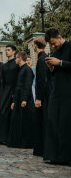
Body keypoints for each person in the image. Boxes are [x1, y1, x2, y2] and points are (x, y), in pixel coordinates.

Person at [43, 28, 71, 164]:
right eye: (51, 45)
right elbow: (55, 74)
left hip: (68, 93)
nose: (53, 46)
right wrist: (51, 68)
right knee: (54, 122)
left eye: (54, 43)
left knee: (66, 124)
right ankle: (55, 156)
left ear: (59, 37)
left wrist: (59, 63)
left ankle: (66, 157)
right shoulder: (55, 52)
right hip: (56, 93)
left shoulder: (70, 47)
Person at [7, 51, 34, 148]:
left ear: (20, 58)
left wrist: (24, 99)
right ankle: (17, 142)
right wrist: (14, 101)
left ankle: (25, 143)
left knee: (25, 122)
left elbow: (27, 85)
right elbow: (17, 86)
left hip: (24, 99)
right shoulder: (20, 69)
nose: (15, 60)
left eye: (16, 58)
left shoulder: (27, 69)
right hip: (18, 98)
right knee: (17, 120)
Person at [0, 45, 19, 144]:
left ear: (14, 52)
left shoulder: (16, 64)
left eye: (8, 50)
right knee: (3, 112)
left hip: (14, 90)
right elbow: (3, 80)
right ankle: (2, 138)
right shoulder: (4, 65)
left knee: (11, 114)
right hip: (6, 90)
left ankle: (10, 137)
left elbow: (18, 79)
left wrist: (15, 93)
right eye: (5, 50)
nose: (6, 52)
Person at [32, 37, 49, 157]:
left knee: (42, 122)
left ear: (35, 45)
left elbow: (42, 80)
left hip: (43, 97)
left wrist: (38, 98)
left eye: (33, 45)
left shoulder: (42, 59)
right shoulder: (43, 57)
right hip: (44, 96)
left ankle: (43, 149)